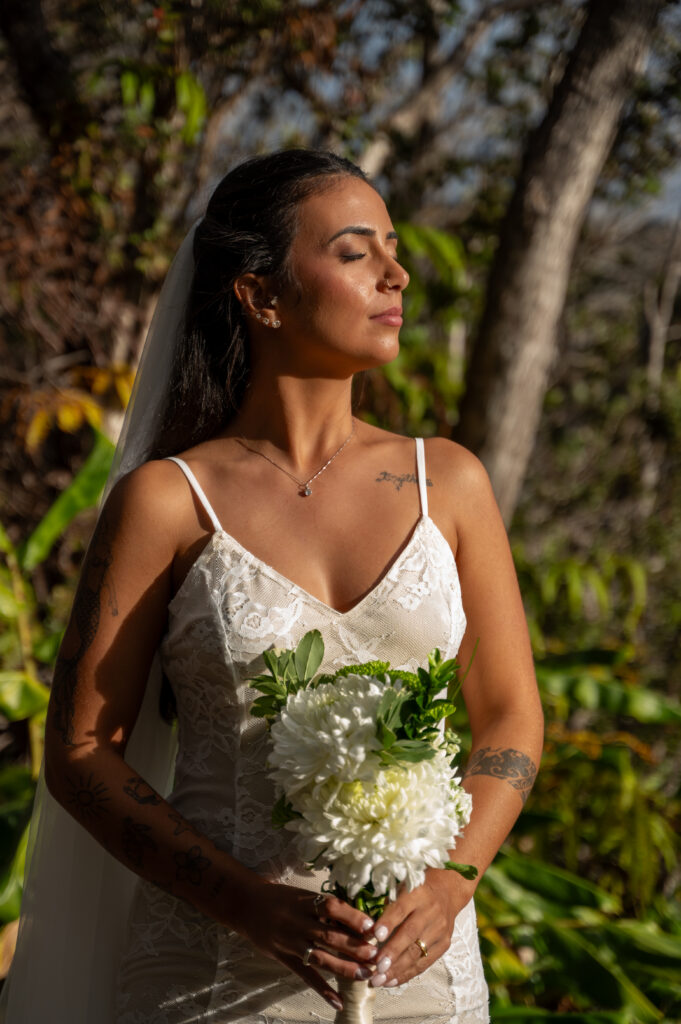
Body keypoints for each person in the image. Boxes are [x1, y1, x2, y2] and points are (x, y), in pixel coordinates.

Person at [1, 149, 543, 1024]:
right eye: (356, 252)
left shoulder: (451, 481)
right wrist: (243, 902)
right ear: (260, 295)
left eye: (394, 250)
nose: (397, 274)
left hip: (424, 979)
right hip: (212, 973)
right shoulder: (168, 500)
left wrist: (450, 884)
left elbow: (511, 717)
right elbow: (80, 751)